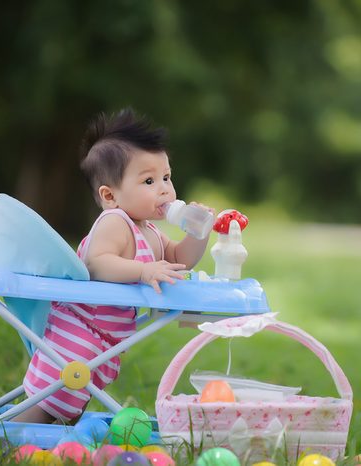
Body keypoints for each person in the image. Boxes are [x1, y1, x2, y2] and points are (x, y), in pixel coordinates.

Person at [13, 108, 214, 424]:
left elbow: (178, 259)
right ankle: (8, 436)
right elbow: (98, 264)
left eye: (166, 177)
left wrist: (198, 232)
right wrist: (144, 271)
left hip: (106, 340)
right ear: (110, 196)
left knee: (69, 404)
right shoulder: (115, 222)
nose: (164, 188)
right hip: (78, 331)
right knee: (49, 402)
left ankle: (50, 439)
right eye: (149, 180)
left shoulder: (148, 230)